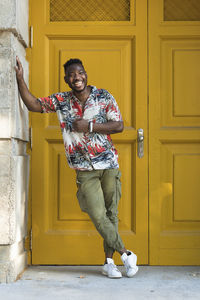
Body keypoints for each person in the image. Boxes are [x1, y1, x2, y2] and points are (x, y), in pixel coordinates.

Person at [15, 56, 139, 278]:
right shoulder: (61, 100)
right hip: (83, 168)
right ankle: (126, 253)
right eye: (71, 75)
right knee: (97, 213)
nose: (76, 77)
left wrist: (89, 126)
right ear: (66, 79)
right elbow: (34, 105)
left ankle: (109, 262)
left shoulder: (103, 96)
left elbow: (118, 125)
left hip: (108, 163)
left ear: (85, 74)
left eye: (79, 72)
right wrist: (19, 78)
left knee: (111, 214)